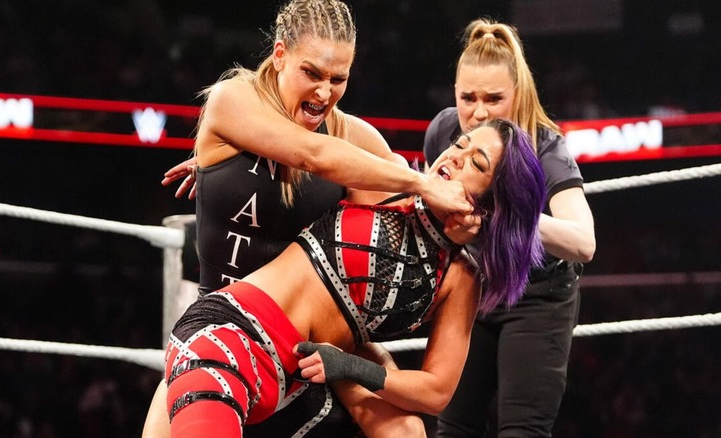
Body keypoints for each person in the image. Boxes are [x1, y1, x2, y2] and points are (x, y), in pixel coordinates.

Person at [144, 1, 478, 436]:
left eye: (338, 79)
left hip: (317, 340)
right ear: (280, 55)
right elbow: (309, 152)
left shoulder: (354, 139)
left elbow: (417, 223)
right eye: (312, 74)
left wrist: (470, 222)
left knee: (406, 432)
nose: (324, 92)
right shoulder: (233, 100)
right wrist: (422, 182)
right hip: (224, 327)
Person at [164, 119, 546, 438]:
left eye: (476, 163)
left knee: (407, 433)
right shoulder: (388, 181)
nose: (455, 157)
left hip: (299, 375)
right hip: (234, 334)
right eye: (459, 145)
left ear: (493, 203)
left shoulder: (461, 278)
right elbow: (308, 130)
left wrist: (351, 366)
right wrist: (224, 165)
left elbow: (436, 391)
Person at [422, 19, 596, 437]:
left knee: (522, 431)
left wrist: (509, 213)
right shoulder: (446, 133)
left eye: (494, 99)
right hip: (474, 285)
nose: (478, 112)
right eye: (468, 98)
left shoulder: (546, 149)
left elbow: (583, 242)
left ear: (516, 95)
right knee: (452, 427)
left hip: (538, 296)